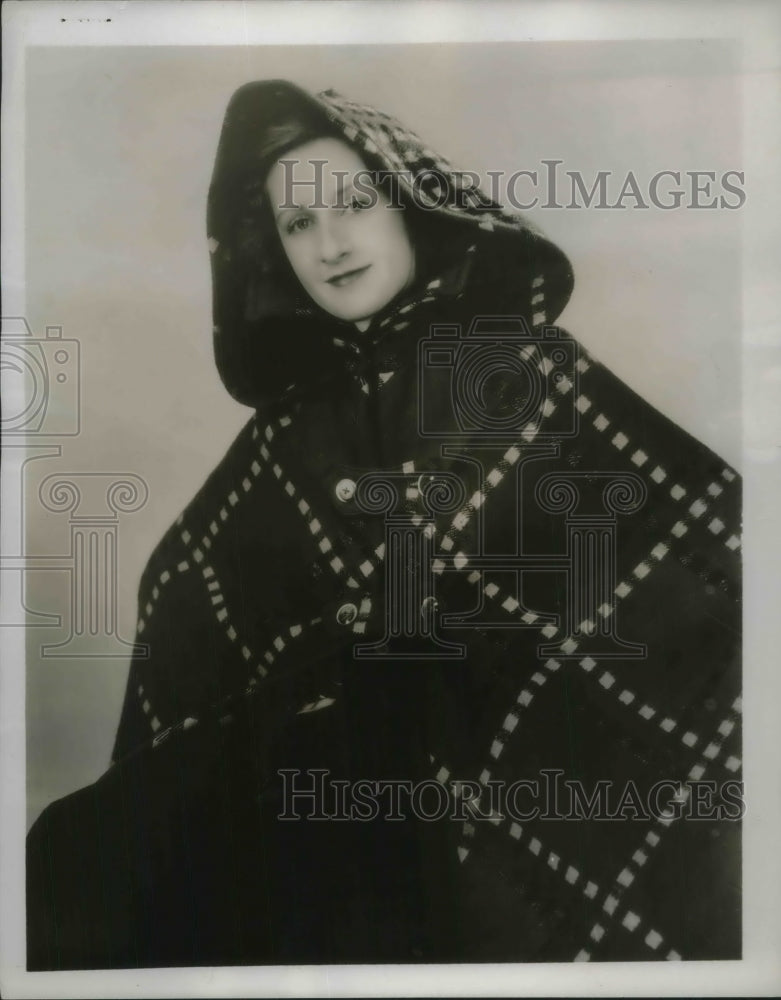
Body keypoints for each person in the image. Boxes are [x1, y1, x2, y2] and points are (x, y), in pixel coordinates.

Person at [27, 80, 742, 968]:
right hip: (356, 873)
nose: (328, 244)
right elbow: (194, 616)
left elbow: (697, 557)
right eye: (295, 225)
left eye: (353, 203)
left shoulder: (524, 376)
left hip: (536, 819)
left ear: (409, 206)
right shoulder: (280, 447)